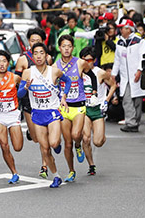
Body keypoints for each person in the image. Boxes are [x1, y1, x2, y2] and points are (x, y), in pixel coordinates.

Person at [19, 43, 70, 188]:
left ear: (46, 56)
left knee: (53, 143)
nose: (39, 56)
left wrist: (63, 96)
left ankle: (58, 143)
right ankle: (56, 176)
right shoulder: (28, 73)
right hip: (37, 113)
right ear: (32, 56)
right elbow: (20, 94)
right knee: (45, 149)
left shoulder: (54, 71)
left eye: (42, 53)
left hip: (52, 111)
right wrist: (26, 88)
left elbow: (67, 81)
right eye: (36, 53)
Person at [14, 28, 52, 174]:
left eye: (38, 40)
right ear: (28, 42)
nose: (35, 43)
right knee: (36, 137)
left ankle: (44, 165)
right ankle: (31, 133)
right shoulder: (22, 59)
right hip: (28, 101)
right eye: (32, 40)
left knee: (45, 136)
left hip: (45, 100)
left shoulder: (47, 58)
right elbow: (17, 80)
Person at [55, 34, 88, 182]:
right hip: (64, 107)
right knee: (67, 143)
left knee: (76, 135)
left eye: (69, 46)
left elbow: (91, 74)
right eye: (64, 46)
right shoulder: (56, 66)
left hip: (79, 105)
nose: (66, 49)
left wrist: (92, 91)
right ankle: (71, 170)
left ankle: (79, 145)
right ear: (59, 48)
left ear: (73, 48)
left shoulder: (80, 63)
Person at [80, 46, 116, 176]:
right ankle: (91, 165)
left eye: (89, 60)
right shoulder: (78, 72)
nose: (86, 62)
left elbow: (113, 85)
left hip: (97, 109)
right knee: (86, 138)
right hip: (84, 109)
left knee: (98, 141)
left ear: (94, 60)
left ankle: (101, 135)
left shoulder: (100, 73)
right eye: (83, 60)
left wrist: (106, 100)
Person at [0, 49, 22, 184]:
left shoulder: (14, 77)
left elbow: (24, 88)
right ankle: (14, 172)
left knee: (17, 147)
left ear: (8, 63)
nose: (1, 64)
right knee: (4, 145)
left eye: (4, 61)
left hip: (13, 114)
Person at [112, 18, 145, 132]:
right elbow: (117, 60)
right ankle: (131, 122)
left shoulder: (139, 41)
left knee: (137, 100)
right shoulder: (119, 42)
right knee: (127, 99)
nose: (121, 30)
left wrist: (139, 70)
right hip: (124, 76)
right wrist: (113, 74)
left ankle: (135, 122)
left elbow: (142, 56)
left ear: (129, 29)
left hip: (136, 74)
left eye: (123, 28)